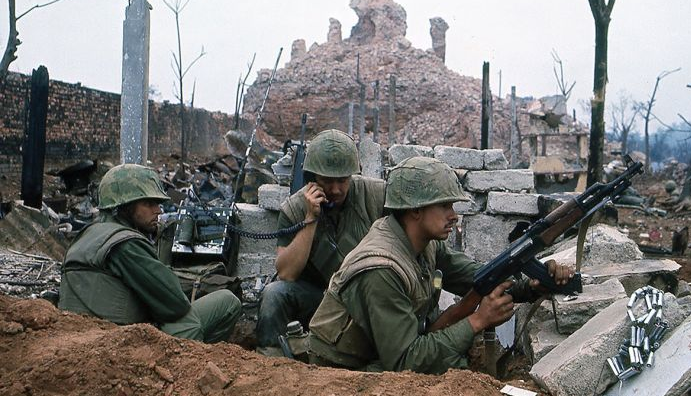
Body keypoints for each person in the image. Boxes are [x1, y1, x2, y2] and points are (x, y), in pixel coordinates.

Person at [308, 156, 574, 374]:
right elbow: (404, 362)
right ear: (415, 210)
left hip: (384, 351)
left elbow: (478, 277)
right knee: (452, 370)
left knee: (454, 361)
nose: (454, 216)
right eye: (445, 205)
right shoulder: (382, 270)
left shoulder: (424, 242)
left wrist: (530, 286)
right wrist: (478, 320)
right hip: (342, 370)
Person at [59, 164, 241, 343]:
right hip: (120, 342)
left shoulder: (87, 235)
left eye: (158, 204)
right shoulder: (125, 243)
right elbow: (175, 304)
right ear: (125, 206)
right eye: (149, 203)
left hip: (79, 337)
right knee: (223, 302)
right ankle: (188, 360)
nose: (158, 210)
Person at [255, 129, 385, 354]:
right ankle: (272, 362)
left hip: (366, 302)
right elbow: (286, 273)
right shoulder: (294, 209)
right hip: (319, 300)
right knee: (274, 294)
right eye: (326, 181)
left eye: (342, 180)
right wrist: (310, 219)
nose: (335, 190)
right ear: (312, 179)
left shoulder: (375, 195)